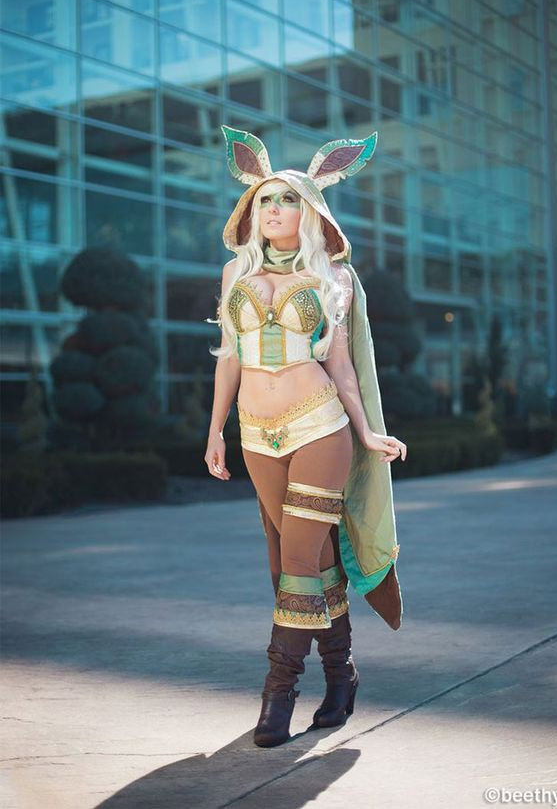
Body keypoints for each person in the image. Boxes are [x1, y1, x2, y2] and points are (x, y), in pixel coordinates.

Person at [204, 125, 407, 748]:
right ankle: (341, 676)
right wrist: (215, 432)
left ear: (310, 211)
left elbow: (342, 365)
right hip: (255, 435)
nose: (273, 209)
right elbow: (229, 359)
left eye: (287, 199)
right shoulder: (235, 273)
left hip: (320, 425)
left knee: (296, 560)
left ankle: (278, 695)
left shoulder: (333, 278)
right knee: (303, 563)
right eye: (264, 200)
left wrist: (368, 432)